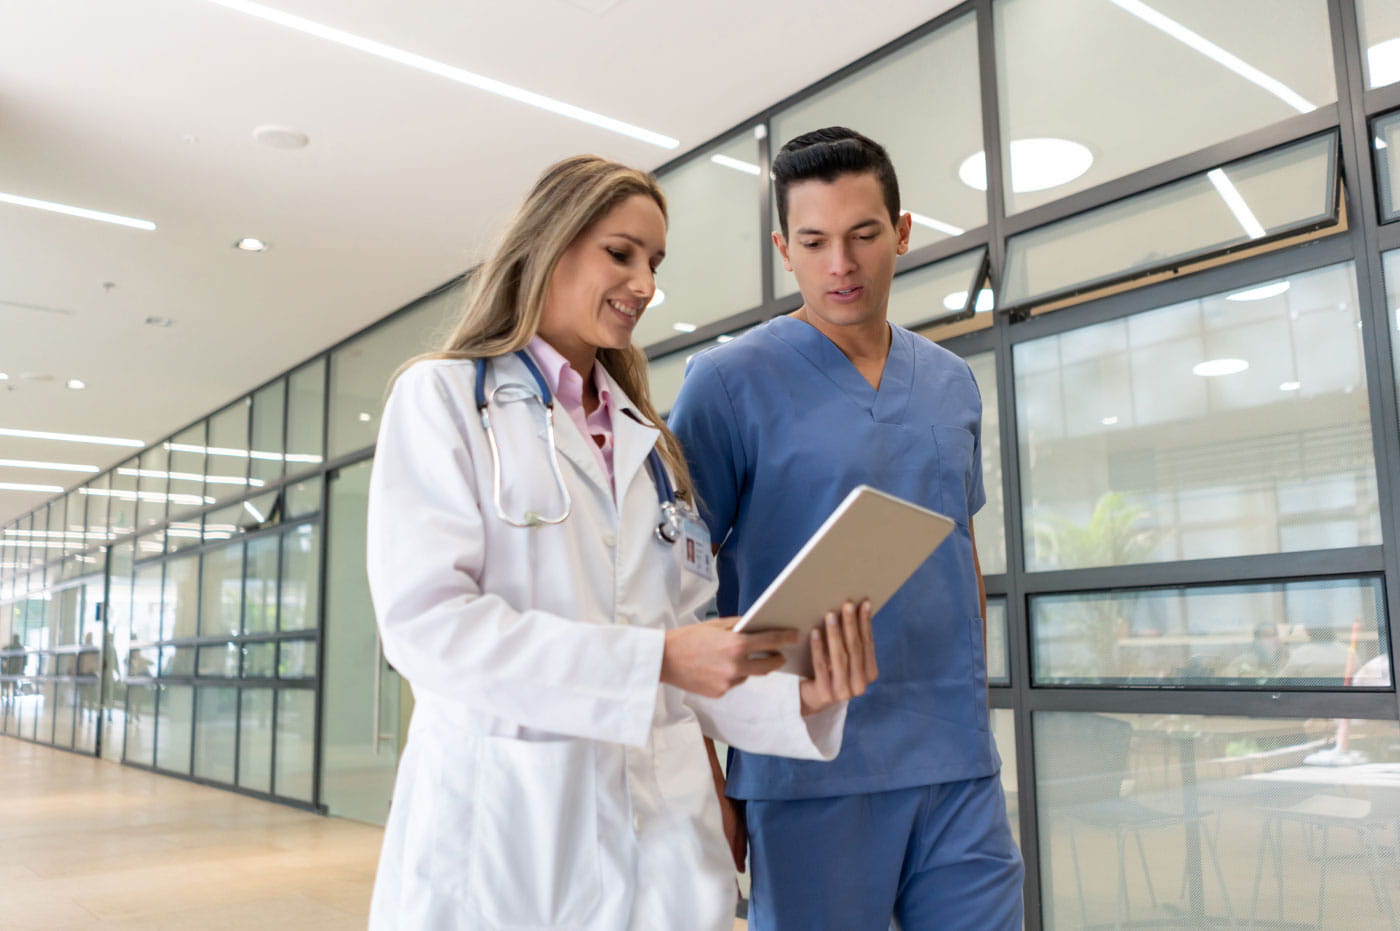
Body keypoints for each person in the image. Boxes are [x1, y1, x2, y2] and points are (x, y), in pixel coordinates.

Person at [364, 154, 879, 931]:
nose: (644, 282)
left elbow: (693, 651)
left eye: (654, 262)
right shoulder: (444, 399)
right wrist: (659, 659)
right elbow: (427, 629)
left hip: (663, 844)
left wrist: (798, 694)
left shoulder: (650, 444)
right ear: (551, 242)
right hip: (506, 840)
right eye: (621, 252)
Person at [670, 127, 1023, 930]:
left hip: (953, 759)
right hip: (804, 767)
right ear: (783, 249)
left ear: (901, 233)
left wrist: (977, 713)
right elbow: (676, 589)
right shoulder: (725, 385)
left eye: (864, 235)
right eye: (815, 241)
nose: (842, 264)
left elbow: (957, 550)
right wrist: (705, 779)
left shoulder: (949, 382)